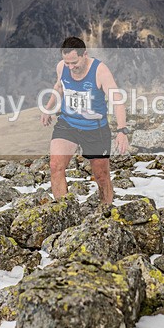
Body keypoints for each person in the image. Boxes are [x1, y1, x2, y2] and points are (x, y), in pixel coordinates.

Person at [40, 37, 129, 204]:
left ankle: (106, 210)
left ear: (84, 55)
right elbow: (59, 86)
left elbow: (117, 101)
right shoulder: (62, 67)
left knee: (101, 175)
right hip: (68, 124)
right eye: (67, 63)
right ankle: (63, 211)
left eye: (74, 62)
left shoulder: (100, 71)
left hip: (95, 129)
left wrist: (122, 131)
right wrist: (48, 108)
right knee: (55, 166)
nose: (70, 67)